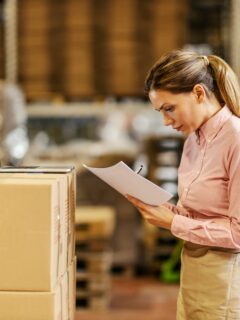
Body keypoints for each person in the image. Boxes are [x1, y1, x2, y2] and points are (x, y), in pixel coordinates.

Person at [126, 49, 240, 319]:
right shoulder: (192, 141)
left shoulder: (235, 140)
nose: (166, 121)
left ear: (199, 93)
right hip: (193, 271)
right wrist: (167, 210)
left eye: (169, 108)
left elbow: (238, 232)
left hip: (226, 279)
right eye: (160, 112)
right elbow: (200, 214)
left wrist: (172, 223)